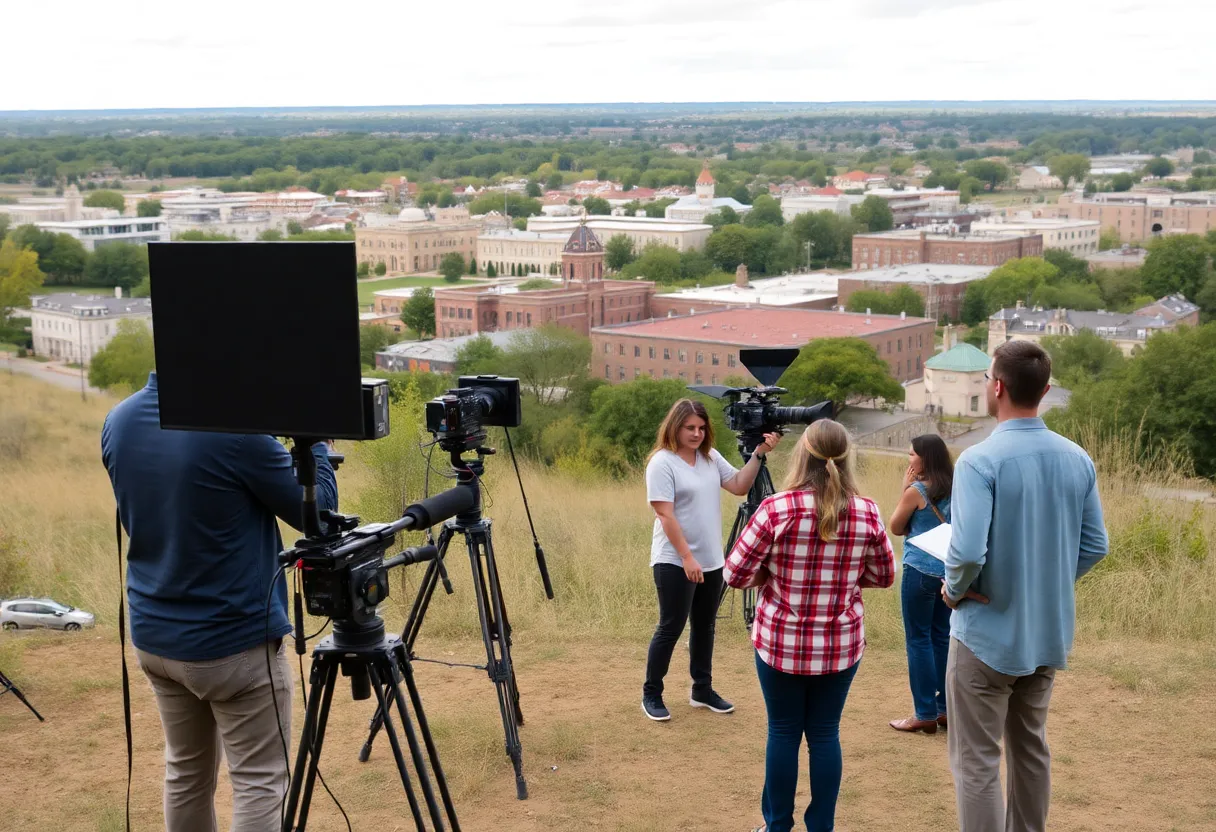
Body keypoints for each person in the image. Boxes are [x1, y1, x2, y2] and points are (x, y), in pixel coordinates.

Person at [101, 371, 338, 832]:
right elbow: (320, 516)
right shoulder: (236, 433)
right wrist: (318, 447)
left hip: (155, 639)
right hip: (234, 646)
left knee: (185, 774)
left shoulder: (120, 419)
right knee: (259, 781)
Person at [943, 340, 1108, 832]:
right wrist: (1048, 581)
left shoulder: (979, 461)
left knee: (976, 761)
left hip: (985, 635)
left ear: (996, 387)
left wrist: (954, 590)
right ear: (1046, 390)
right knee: (1031, 748)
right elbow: (1095, 544)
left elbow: (968, 551)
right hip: (1046, 633)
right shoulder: (1077, 458)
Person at [725, 419, 895, 832]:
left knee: (782, 732)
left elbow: (734, 573)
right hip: (840, 646)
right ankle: (821, 826)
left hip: (781, 642)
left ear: (803, 454)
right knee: (824, 734)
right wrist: (848, 578)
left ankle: (776, 825)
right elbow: (885, 575)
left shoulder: (775, 509)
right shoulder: (866, 510)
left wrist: (769, 576)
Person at [642, 398, 780, 722]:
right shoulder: (662, 463)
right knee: (671, 626)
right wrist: (687, 558)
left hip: (711, 559)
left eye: (702, 428)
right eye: (690, 428)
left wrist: (759, 454)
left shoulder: (710, 457)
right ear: (674, 427)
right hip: (674, 560)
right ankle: (652, 693)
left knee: (705, 626)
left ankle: (701, 690)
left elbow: (738, 485)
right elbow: (665, 514)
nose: (697, 434)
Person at [887, 434, 955, 735]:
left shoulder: (916, 491)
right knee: (942, 638)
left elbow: (896, 527)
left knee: (918, 640)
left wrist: (905, 489)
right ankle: (944, 710)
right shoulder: (958, 487)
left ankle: (924, 712)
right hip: (948, 573)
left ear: (925, 459)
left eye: (912, 454)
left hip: (919, 571)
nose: (909, 458)